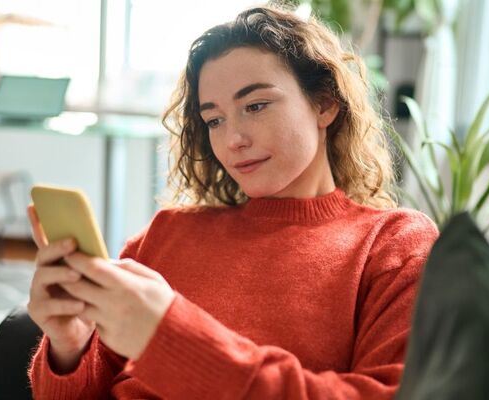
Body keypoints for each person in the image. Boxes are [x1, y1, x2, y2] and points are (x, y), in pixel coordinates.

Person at [26, 6, 438, 399]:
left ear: (325, 103)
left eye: (255, 106)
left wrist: (172, 341)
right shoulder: (166, 234)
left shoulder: (392, 244)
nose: (233, 140)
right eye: (215, 120)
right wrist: (70, 348)